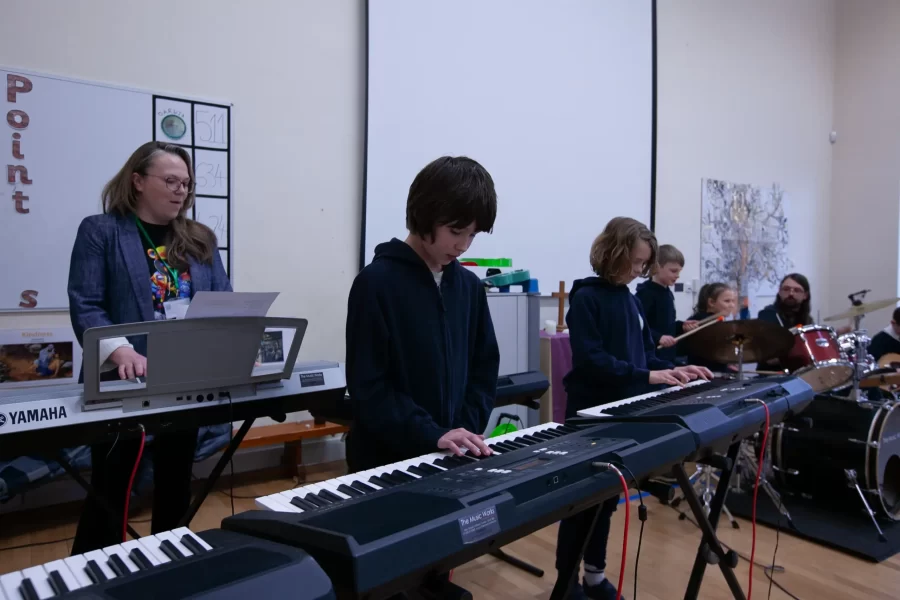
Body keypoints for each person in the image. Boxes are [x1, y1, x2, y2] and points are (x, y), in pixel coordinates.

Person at [68, 141, 231, 554]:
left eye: (186, 184)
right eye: (171, 181)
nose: (181, 190)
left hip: (185, 376)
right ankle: (96, 569)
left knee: (176, 480)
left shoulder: (200, 239)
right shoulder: (101, 231)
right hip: (122, 378)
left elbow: (222, 300)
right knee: (113, 486)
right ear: (138, 181)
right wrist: (118, 349)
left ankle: (167, 563)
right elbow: (86, 303)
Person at [558, 217, 712, 600]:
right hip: (590, 415)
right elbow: (593, 360)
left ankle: (594, 576)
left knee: (609, 500)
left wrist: (675, 369)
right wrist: (646, 377)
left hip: (623, 412)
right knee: (580, 504)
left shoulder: (630, 299)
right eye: (637, 262)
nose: (641, 270)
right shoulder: (586, 298)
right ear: (614, 253)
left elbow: (644, 356)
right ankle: (566, 582)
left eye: (645, 263)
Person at [344, 155, 500, 474]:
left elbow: (484, 370)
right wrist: (432, 433)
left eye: (473, 235)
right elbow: (370, 387)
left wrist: (461, 433)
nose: (463, 245)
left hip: (453, 455)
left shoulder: (469, 287)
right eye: (456, 231)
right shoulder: (375, 283)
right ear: (424, 214)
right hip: (386, 459)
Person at [634, 244, 698, 363]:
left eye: (679, 271)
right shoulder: (646, 293)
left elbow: (665, 325)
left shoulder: (667, 293)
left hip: (666, 356)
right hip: (650, 357)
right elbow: (637, 325)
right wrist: (658, 338)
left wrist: (681, 326)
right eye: (673, 271)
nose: (677, 276)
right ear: (657, 267)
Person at [682, 282, 738, 373]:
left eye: (733, 301)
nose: (732, 305)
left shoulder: (717, 321)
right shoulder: (699, 322)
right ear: (711, 302)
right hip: (704, 375)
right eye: (727, 301)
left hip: (716, 371)